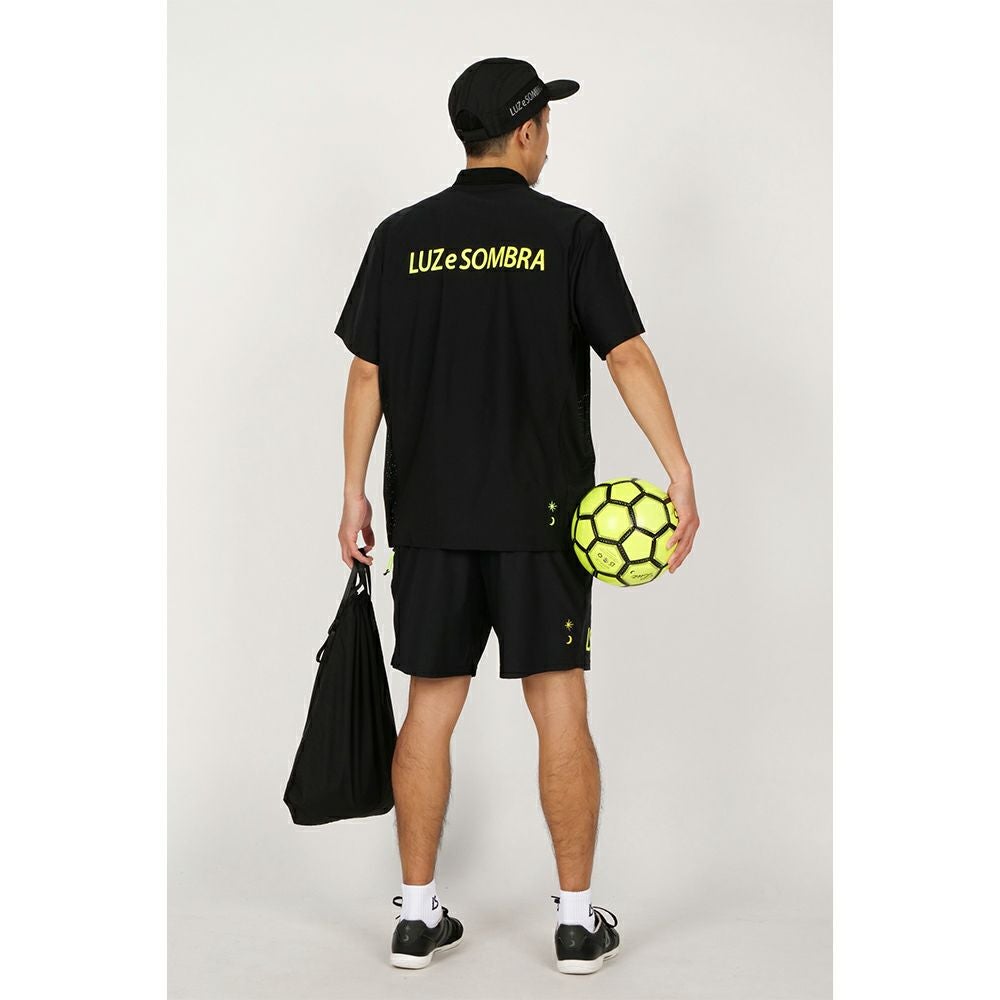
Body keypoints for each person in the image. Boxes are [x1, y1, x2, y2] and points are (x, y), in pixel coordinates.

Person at [333, 56, 700, 974]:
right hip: (545, 520)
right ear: (527, 130)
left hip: (430, 516)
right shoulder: (570, 233)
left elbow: (367, 371)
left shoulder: (399, 237)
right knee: (559, 703)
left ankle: (416, 918)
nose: (548, 144)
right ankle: (575, 924)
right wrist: (678, 469)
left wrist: (352, 489)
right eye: (547, 128)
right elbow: (626, 356)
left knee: (429, 707)